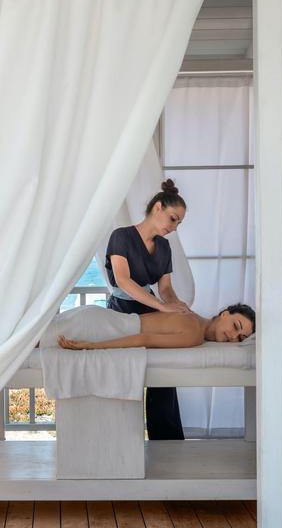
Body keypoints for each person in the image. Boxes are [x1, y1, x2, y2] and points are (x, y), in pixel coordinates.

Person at [105, 178, 189, 440]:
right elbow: (123, 280)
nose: (174, 227)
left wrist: (175, 305)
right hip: (121, 309)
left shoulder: (164, 247)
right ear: (158, 208)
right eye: (173, 219)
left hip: (151, 309)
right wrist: (162, 309)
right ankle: (121, 440)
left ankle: (166, 440)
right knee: (125, 373)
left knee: (163, 371)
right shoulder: (121, 236)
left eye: (179, 223)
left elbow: (165, 288)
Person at [57, 303, 256, 350]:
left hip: (97, 316)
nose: (233, 336)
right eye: (236, 326)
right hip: (101, 327)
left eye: (240, 338)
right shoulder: (194, 334)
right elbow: (145, 339)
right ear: (224, 314)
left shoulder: (188, 311)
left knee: (30, 336)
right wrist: (93, 346)